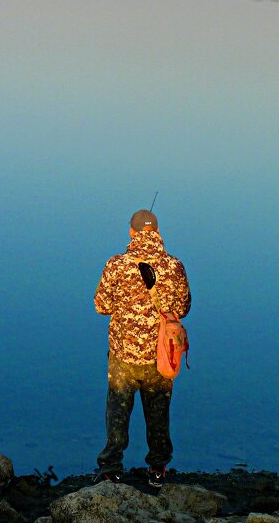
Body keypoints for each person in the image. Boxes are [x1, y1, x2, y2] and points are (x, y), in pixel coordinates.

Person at [93, 209, 191, 487]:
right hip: (162, 354)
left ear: (131, 233)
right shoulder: (175, 266)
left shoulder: (116, 265)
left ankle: (111, 468)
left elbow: (101, 306)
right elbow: (183, 308)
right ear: (157, 233)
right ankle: (158, 468)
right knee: (158, 413)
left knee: (118, 412)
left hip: (124, 355)